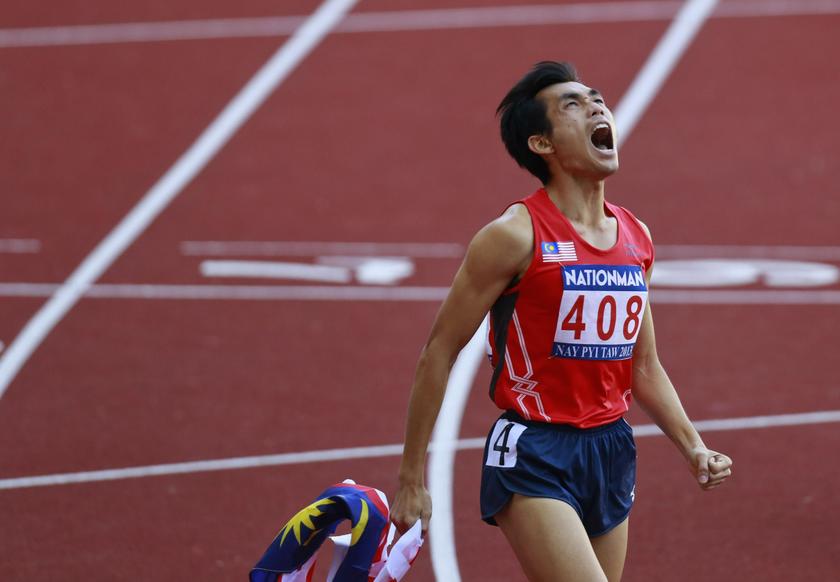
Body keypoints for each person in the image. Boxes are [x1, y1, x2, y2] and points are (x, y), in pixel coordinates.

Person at [389, 61, 733, 581]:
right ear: (542, 143)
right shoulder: (514, 235)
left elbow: (642, 366)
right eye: (573, 104)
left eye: (597, 98)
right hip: (534, 449)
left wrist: (693, 447)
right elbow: (440, 350)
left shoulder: (635, 236)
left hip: (611, 448)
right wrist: (411, 477)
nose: (596, 107)